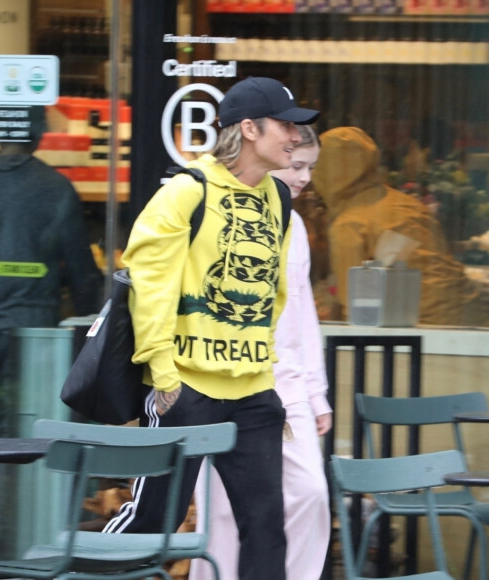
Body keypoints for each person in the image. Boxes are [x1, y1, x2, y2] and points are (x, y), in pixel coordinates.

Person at [102, 77, 320, 580]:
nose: (294, 136)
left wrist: (266, 376)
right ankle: (81, 572)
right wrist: (162, 376)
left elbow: (272, 297)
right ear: (248, 129)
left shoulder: (278, 202)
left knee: (267, 526)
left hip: (253, 391)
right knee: (154, 521)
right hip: (186, 386)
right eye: (285, 125)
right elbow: (150, 286)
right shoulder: (186, 192)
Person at [0, 105, 102, 558]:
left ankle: (2, 540)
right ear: (40, 133)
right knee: (41, 439)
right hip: (38, 336)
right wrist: (90, 336)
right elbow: (83, 273)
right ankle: (31, 541)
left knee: (0, 437)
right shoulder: (55, 188)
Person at [189, 125, 332, 580]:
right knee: (223, 511)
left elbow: (303, 312)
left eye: (311, 167)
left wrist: (316, 391)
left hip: (285, 384)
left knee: (311, 493)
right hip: (222, 380)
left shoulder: (294, 224)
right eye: (297, 165)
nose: (305, 177)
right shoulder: (215, 208)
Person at [312, 126, 489, 327]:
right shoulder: (403, 204)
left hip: (424, 329)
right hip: (470, 318)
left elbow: (354, 308)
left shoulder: (349, 224)